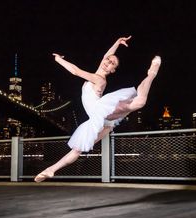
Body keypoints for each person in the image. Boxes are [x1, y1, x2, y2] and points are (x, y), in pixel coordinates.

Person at [34, 36, 161, 182]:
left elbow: (75, 71)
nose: (109, 62)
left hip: (101, 110)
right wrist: (117, 43)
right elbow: (106, 56)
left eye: (113, 63)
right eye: (108, 60)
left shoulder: (99, 79)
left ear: (113, 70)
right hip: (98, 119)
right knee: (77, 149)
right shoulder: (99, 70)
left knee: (139, 102)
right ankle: (51, 170)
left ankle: (151, 74)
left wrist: (58, 60)